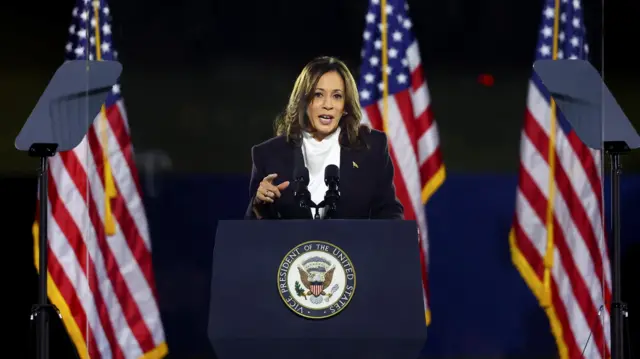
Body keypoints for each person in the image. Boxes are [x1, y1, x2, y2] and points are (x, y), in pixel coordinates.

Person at [245, 56, 403, 220]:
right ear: (304, 101)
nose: (328, 104)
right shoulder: (268, 154)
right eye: (318, 94)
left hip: (353, 245)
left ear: (345, 106)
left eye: (337, 96)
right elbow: (252, 236)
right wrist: (258, 205)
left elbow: (389, 211)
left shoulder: (371, 147)